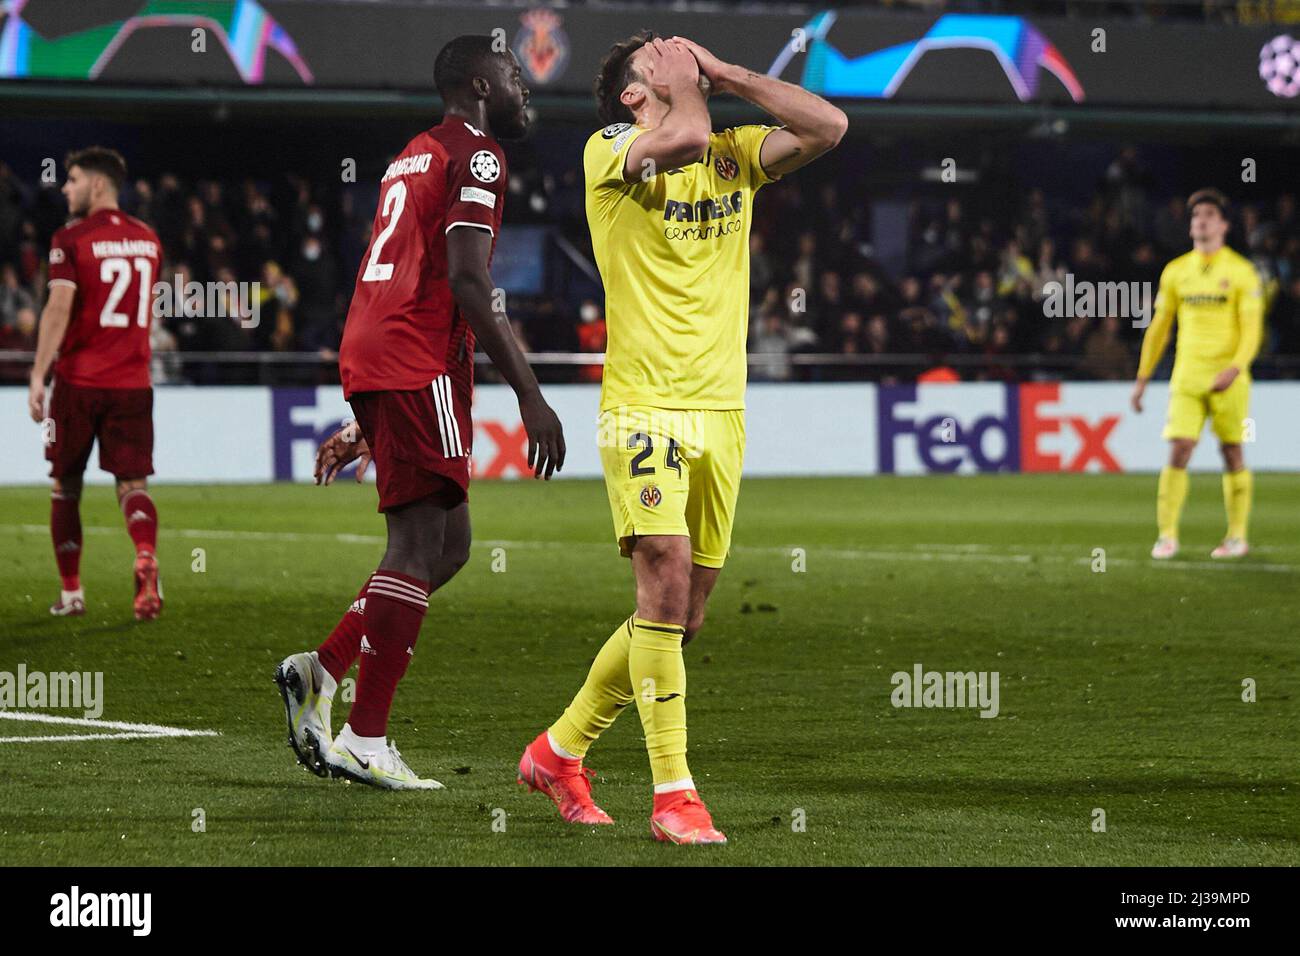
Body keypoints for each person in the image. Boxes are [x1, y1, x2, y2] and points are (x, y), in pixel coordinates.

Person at [516, 33, 846, 844]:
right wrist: (688, 83)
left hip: (722, 412)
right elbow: (687, 134)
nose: (678, 60)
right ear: (633, 94)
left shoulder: (732, 154)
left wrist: (727, 72)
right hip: (644, 407)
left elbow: (830, 126)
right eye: (655, 61)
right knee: (660, 584)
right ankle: (676, 797)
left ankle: (558, 752)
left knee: (680, 619)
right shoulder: (611, 149)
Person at [274, 36, 566, 791]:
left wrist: (369, 417)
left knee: (450, 545)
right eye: (512, 75)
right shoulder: (477, 154)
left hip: (381, 344)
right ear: (478, 83)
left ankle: (324, 668)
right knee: (416, 545)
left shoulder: (411, 153)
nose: (523, 87)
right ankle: (365, 738)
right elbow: (468, 281)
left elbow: (401, 264)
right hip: (420, 354)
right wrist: (529, 392)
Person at [26, 147, 163, 620]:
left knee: (66, 485)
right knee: (132, 482)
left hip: (79, 382)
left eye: (74, 179)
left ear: (98, 185)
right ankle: (145, 553)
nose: (66, 188)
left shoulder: (70, 238)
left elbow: (59, 309)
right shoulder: (149, 240)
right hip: (132, 382)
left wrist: (38, 374)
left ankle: (71, 594)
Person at [1132, 189, 1263, 560]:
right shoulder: (1176, 272)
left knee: (1232, 451)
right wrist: (1142, 379)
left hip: (1230, 377)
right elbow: (1159, 329)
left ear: (1223, 224)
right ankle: (1166, 535)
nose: (1200, 221)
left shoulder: (1241, 271)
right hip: (1187, 375)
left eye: (1208, 215)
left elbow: (1252, 331)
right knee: (1179, 448)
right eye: (1195, 216)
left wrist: (1235, 368)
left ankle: (1236, 536)